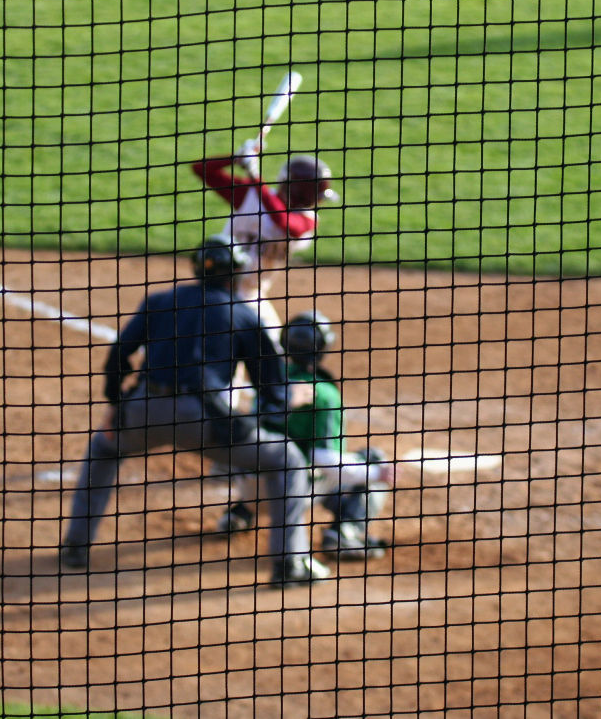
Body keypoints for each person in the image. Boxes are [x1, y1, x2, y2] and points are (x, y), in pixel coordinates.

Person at [60, 236, 329, 586]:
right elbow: (273, 391)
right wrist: (281, 404)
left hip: (145, 411)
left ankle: (76, 547)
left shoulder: (158, 302)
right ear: (236, 274)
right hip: (205, 422)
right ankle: (288, 564)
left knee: (103, 449)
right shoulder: (245, 315)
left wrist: (116, 404)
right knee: (288, 459)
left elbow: (119, 355)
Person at [218, 310, 393, 560]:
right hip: (288, 493)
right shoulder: (324, 393)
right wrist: (378, 474)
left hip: (249, 485)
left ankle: (240, 513)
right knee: (372, 459)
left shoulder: (270, 382)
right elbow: (325, 459)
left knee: (269, 450)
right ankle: (345, 532)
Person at [190, 148, 340, 332]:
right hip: (217, 288)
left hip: (252, 296)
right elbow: (201, 169)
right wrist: (236, 158)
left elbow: (283, 221)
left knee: (272, 349)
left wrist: (255, 177)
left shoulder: (307, 220)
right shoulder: (249, 196)